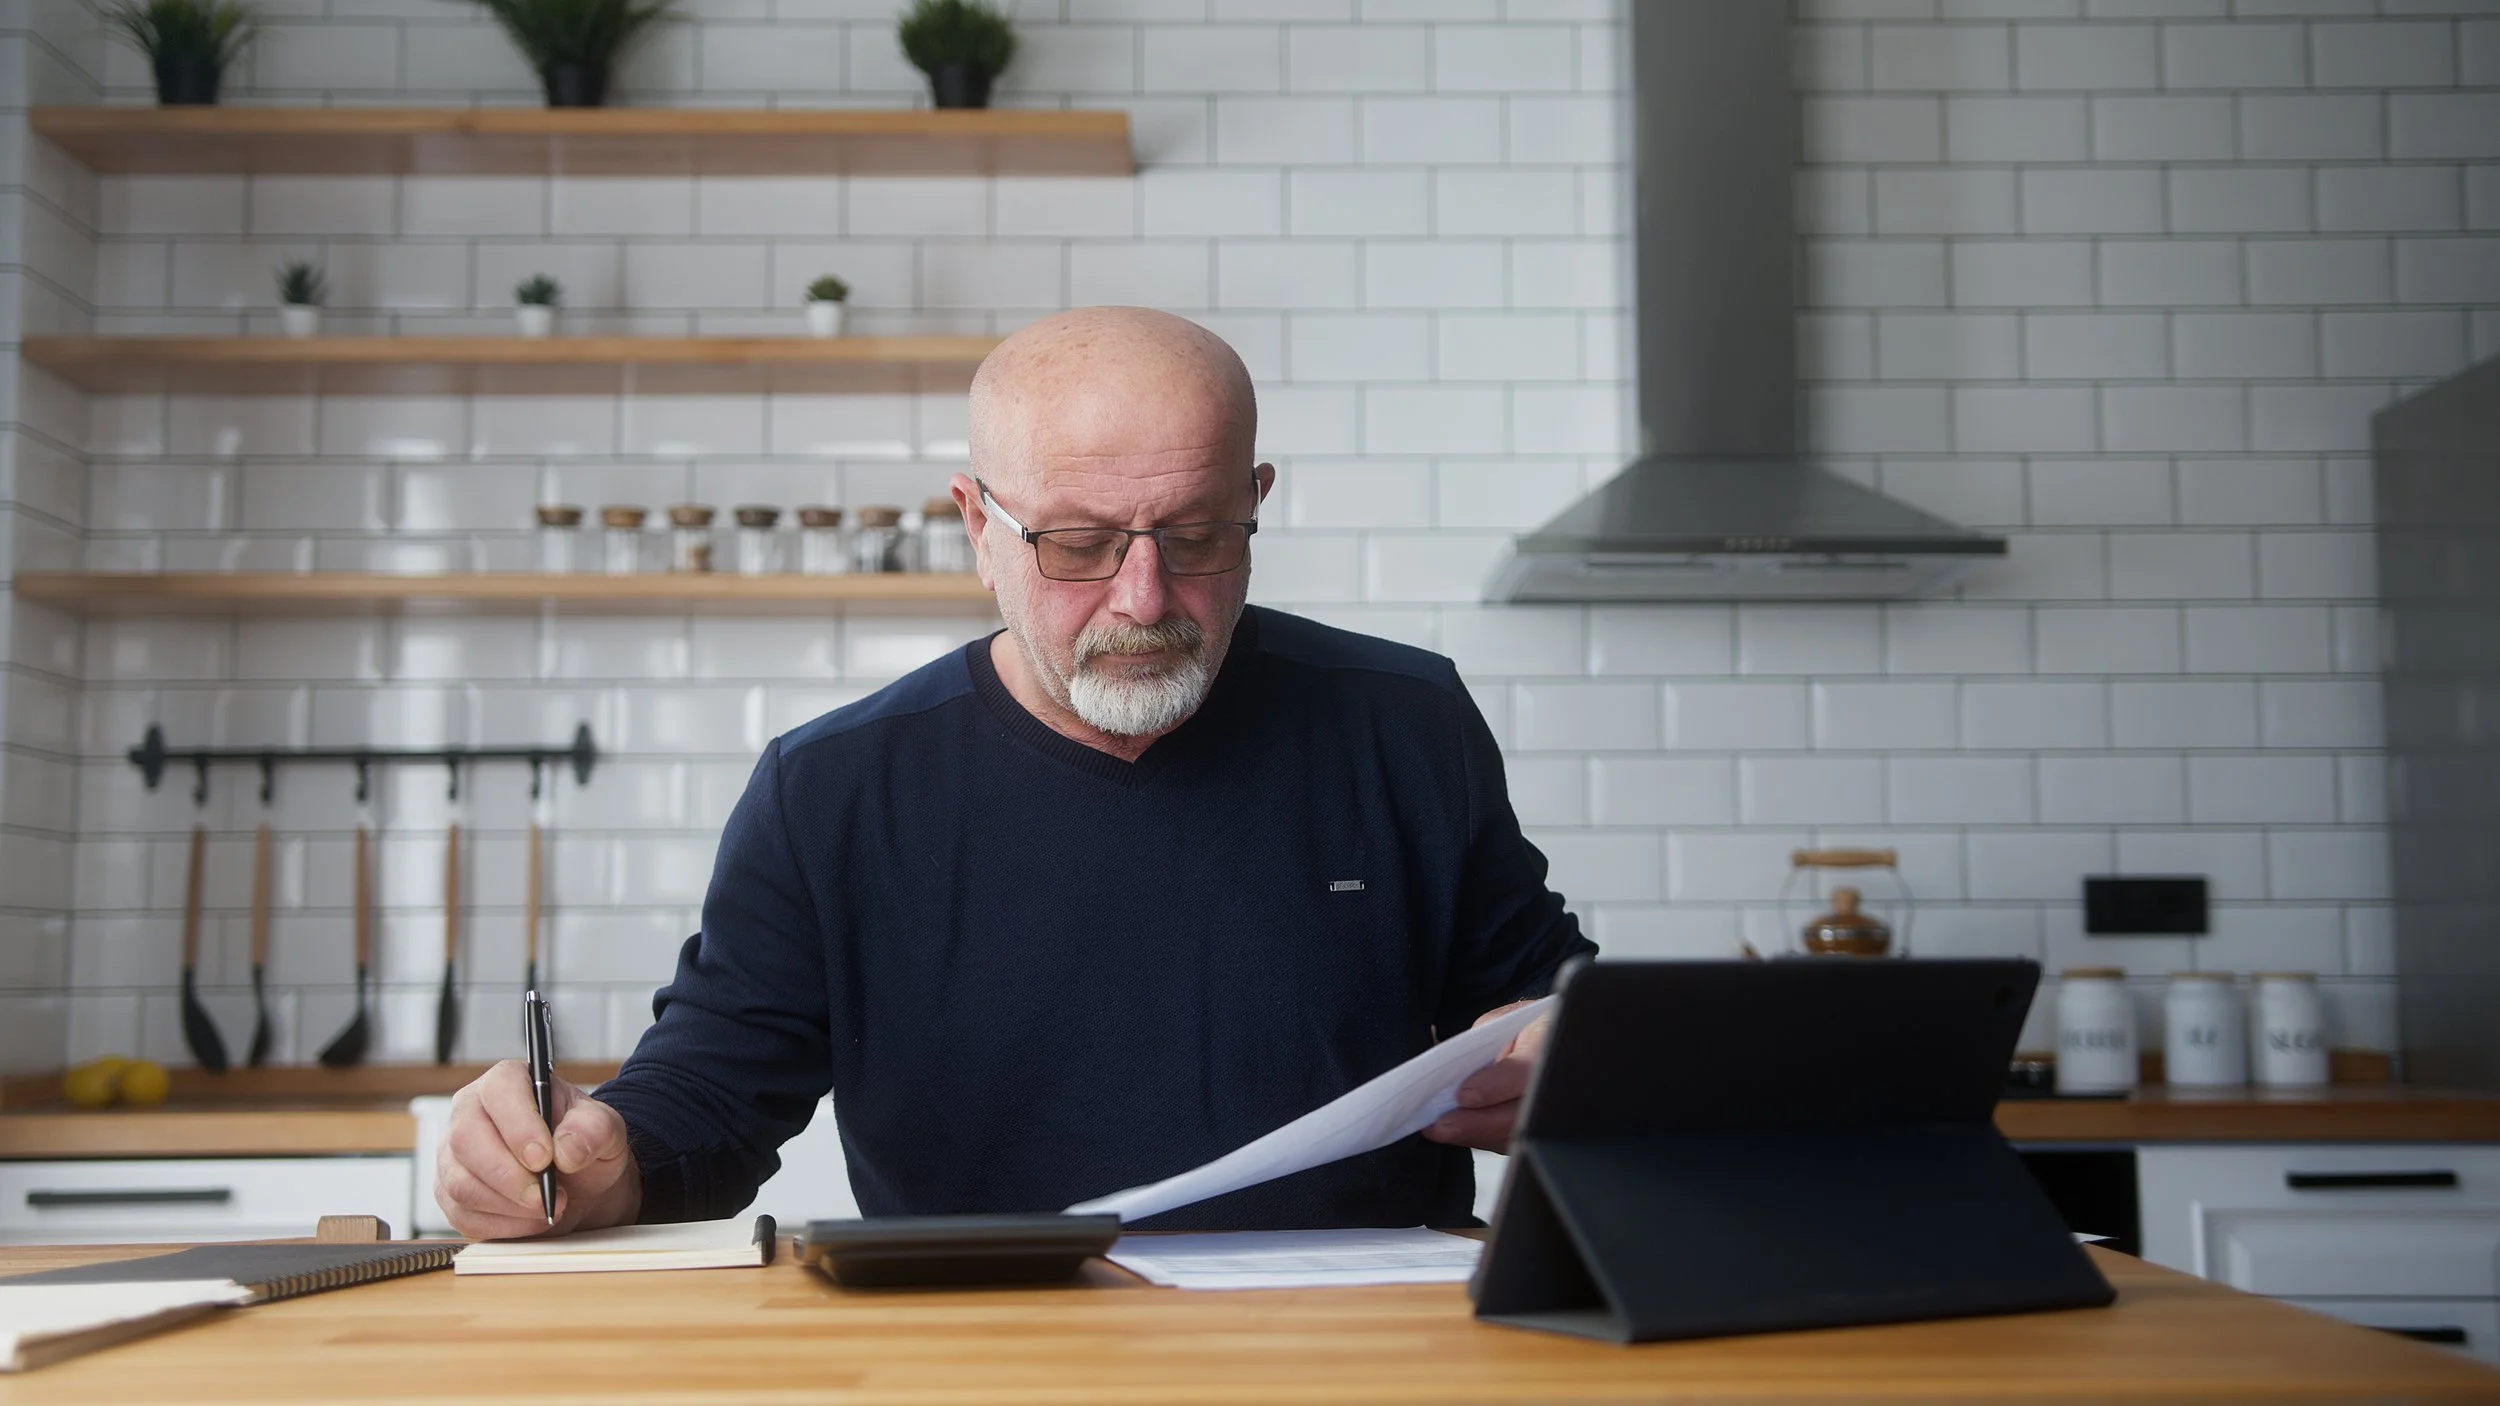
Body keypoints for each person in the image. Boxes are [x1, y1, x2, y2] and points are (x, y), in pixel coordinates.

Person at [436, 307, 1595, 1241]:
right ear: (976, 526)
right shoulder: (834, 788)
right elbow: (711, 1096)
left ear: (1256, 501)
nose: (1144, 598)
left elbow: (1547, 995)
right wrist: (593, 1162)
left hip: (1360, 1350)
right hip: (985, 1351)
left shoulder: (1404, 721)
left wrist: (1566, 1056)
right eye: (1078, 545)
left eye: (1195, 536)